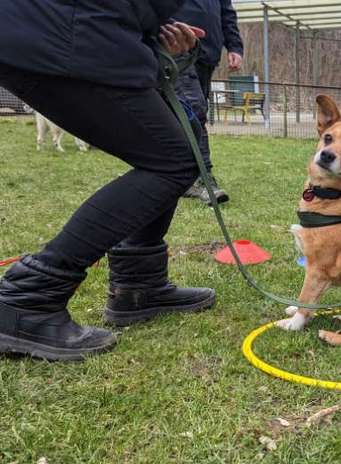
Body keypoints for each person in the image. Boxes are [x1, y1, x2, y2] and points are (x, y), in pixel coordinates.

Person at [0, 1, 216, 361]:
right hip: (62, 33)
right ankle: (28, 298)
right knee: (173, 160)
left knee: (180, 142)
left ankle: (139, 285)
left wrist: (153, 30)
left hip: (73, 28)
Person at [174, 0, 244, 205]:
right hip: (177, 47)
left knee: (183, 114)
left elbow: (226, 13)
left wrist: (234, 46)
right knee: (193, 110)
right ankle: (203, 178)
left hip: (207, 54)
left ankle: (179, 176)